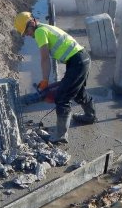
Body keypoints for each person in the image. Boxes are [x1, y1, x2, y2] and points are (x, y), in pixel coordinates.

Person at [14, 12, 97, 144]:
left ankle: (60, 136)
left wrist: (45, 80)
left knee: (62, 98)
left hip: (77, 62)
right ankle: (90, 116)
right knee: (78, 92)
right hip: (82, 59)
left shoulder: (40, 32)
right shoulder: (45, 28)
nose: (27, 35)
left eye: (26, 31)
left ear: (32, 23)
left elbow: (45, 58)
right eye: (24, 33)